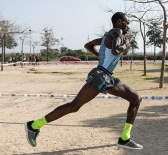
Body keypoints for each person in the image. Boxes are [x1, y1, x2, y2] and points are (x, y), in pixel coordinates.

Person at [24, 12, 143, 149]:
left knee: (135, 98)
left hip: (106, 75)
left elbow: (88, 45)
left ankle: (125, 138)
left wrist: (101, 56)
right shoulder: (117, 32)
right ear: (119, 22)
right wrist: (126, 45)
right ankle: (33, 125)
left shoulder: (107, 36)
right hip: (101, 76)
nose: (128, 25)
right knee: (74, 106)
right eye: (126, 22)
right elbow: (116, 51)